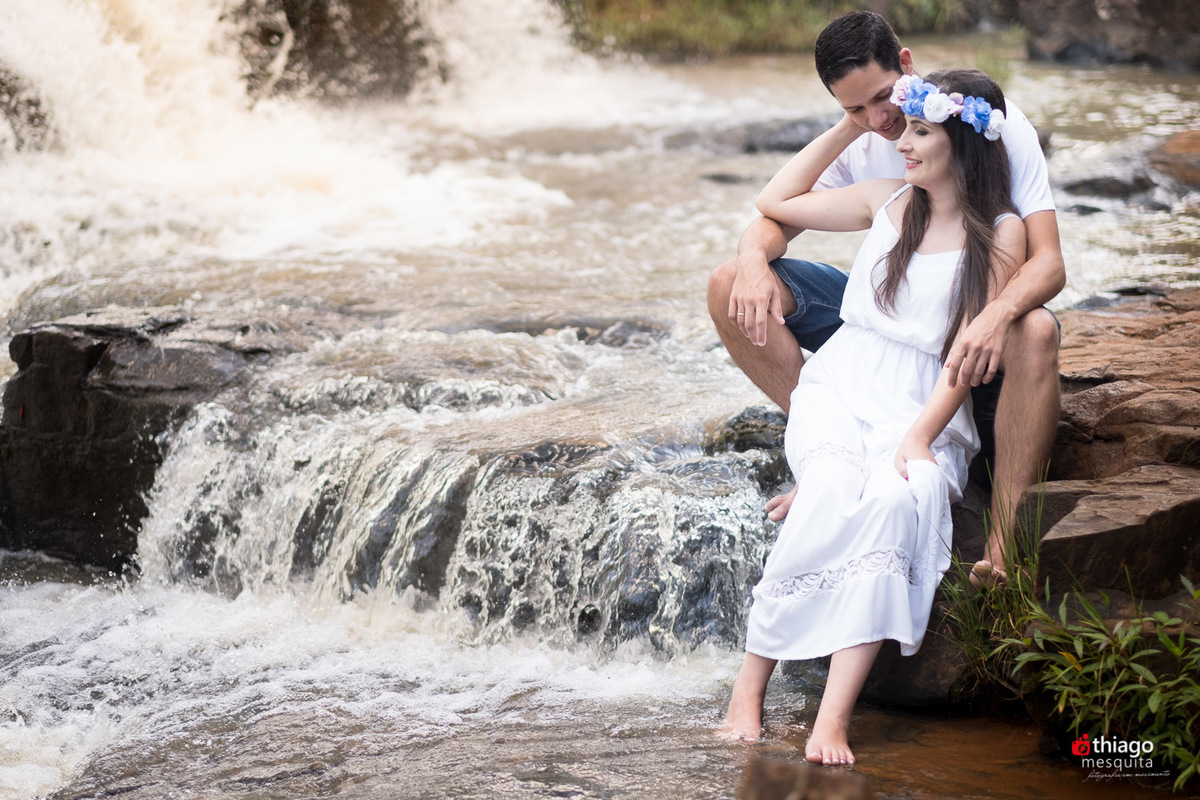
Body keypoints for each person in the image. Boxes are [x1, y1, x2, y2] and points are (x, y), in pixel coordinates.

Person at [718, 68, 1026, 763]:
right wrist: (848, 124)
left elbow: (963, 355)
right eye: (904, 130)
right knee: (827, 490)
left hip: (923, 403)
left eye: (920, 132)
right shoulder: (888, 200)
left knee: (895, 499)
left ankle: (831, 720)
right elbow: (775, 200)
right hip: (842, 385)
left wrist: (918, 438)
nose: (902, 143)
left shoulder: (1002, 234)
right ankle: (747, 691)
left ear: (963, 144)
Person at [706, 11, 1064, 585]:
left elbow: (1048, 261)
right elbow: (773, 213)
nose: (880, 120)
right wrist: (751, 260)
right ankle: (830, 455)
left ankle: (1002, 541)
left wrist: (995, 315)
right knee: (729, 282)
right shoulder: (864, 139)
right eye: (854, 108)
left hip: (969, 316)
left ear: (906, 64)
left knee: (1038, 329)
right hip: (887, 319)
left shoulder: (982, 123)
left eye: (881, 98)